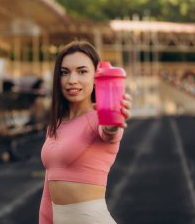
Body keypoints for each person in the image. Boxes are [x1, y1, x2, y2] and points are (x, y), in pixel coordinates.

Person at [39, 40, 132, 224]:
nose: (72, 80)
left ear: (97, 78)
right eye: (65, 72)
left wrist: (114, 122)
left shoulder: (100, 119)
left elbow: (110, 131)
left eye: (82, 71)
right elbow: (48, 193)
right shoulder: (55, 125)